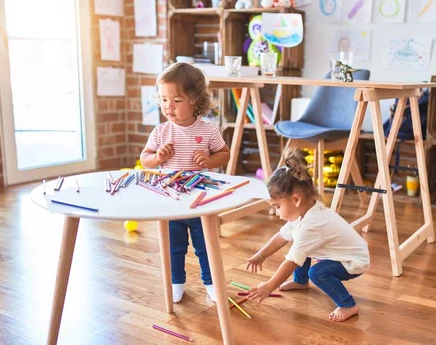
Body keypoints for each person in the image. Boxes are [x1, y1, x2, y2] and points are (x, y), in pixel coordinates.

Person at [140, 62, 230, 303]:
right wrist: (158, 157)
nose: (169, 106)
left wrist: (210, 160)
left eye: (177, 100)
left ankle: (210, 282)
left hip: (201, 200)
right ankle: (176, 281)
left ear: (195, 100)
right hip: (172, 201)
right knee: (173, 246)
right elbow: (145, 158)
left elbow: (225, 154)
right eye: (163, 99)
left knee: (205, 246)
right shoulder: (160, 132)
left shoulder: (209, 130)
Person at [245, 150, 370, 322]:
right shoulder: (303, 213)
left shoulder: (312, 225)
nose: (276, 213)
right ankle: (300, 281)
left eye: (277, 207)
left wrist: (269, 286)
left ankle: (348, 304)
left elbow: (291, 262)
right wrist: (261, 255)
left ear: (296, 200)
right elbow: (280, 237)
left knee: (317, 273)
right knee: (299, 245)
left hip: (353, 260)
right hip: (340, 254)